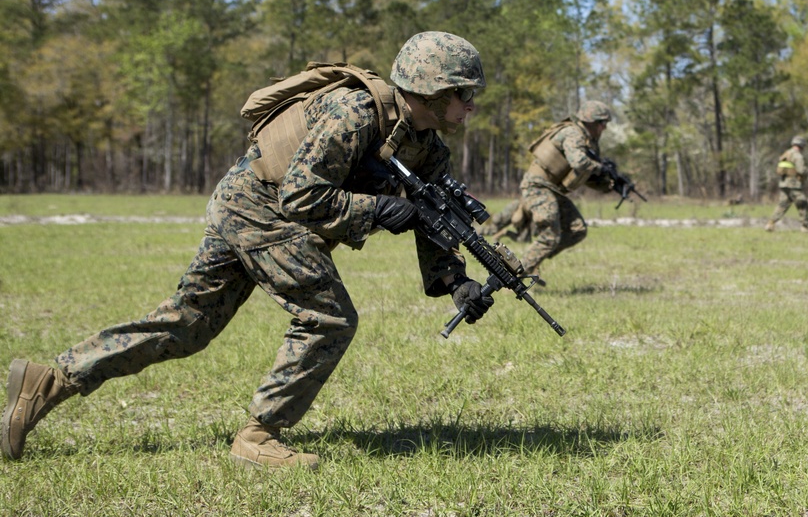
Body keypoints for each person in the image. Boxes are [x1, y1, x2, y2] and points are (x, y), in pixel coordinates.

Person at [1, 31, 494, 469]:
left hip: (257, 208)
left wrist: (455, 280)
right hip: (258, 207)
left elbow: (432, 214)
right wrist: (377, 211)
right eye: (464, 95)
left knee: (188, 324)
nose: (470, 106)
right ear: (434, 88)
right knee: (330, 318)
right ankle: (259, 437)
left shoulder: (427, 144)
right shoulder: (355, 114)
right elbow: (301, 196)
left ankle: (48, 381)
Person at [516, 100, 613, 285]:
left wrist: (608, 183)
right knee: (549, 235)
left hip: (552, 190)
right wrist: (600, 168)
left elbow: (583, 175)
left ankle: (532, 261)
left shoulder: (586, 140)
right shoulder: (573, 134)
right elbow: (579, 163)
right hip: (538, 186)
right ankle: (514, 275)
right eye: (602, 124)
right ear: (591, 122)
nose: (604, 128)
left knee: (577, 230)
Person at [765, 135, 808, 232]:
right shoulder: (798, 156)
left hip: (784, 184)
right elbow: (801, 170)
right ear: (801, 145)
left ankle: (770, 224)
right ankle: (804, 227)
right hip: (794, 184)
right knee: (803, 204)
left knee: (782, 205)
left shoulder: (786, 154)